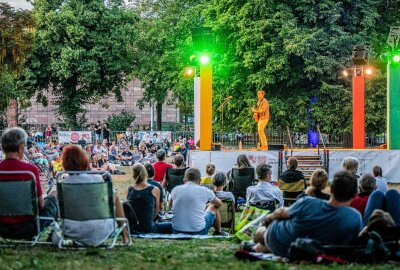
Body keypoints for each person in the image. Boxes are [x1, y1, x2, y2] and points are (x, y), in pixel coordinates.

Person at [252, 170, 362, 257]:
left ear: (331, 189)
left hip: (279, 239)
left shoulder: (308, 202)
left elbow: (280, 213)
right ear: (355, 194)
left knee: (261, 232)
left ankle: (256, 244)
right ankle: (258, 247)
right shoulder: (355, 218)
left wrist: (268, 219)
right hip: (308, 250)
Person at [61, 145, 129, 245]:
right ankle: (125, 235)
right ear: (84, 160)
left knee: (54, 198)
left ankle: (52, 234)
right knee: (114, 194)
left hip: (71, 230)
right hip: (100, 229)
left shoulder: (63, 185)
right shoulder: (97, 179)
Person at [0, 127, 58, 239]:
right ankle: (53, 234)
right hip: (29, 227)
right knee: (54, 196)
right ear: (20, 148)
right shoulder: (29, 170)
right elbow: (40, 205)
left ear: (3, 147)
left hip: (2, 228)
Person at [169, 168, 227, 235]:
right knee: (213, 206)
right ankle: (218, 231)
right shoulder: (205, 190)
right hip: (198, 231)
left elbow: (170, 206)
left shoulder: (175, 189)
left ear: (184, 180)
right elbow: (219, 204)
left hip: (177, 230)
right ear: (199, 181)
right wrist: (207, 205)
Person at [126, 164, 172, 233]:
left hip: (132, 228)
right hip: (149, 228)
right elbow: (156, 213)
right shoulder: (154, 189)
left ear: (133, 175)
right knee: (171, 225)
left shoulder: (129, 189)